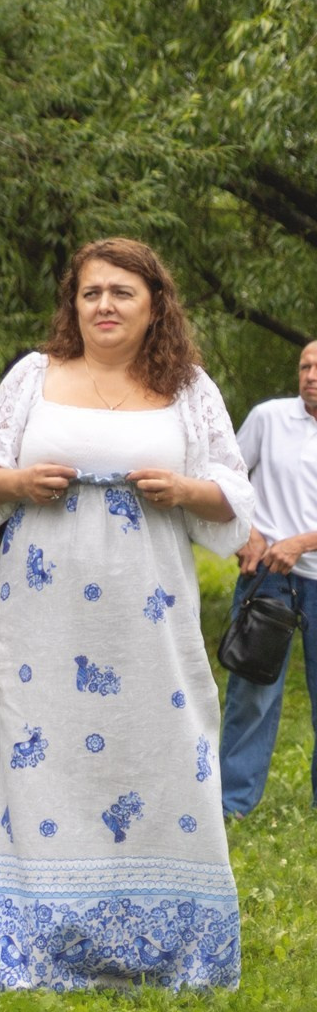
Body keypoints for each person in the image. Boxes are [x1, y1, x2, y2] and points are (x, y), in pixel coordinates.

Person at [0, 238, 251, 990]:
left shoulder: (188, 388)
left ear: (155, 306)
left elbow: (235, 500)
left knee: (164, 746)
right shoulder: (32, 377)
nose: (105, 305)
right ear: (72, 304)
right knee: (37, 749)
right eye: (91, 293)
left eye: (122, 292)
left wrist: (183, 491)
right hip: (42, 618)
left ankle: (172, 946)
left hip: (150, 617)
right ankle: (30, 940)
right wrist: (16, 480)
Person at [217, 338, 317, 817]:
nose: (311, 375)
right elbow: (228, 482)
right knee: (251, 693)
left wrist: (301, 542)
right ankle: (232, 804)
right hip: (267, 582)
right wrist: (248, 535)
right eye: (305, 366)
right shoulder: (268, 418)